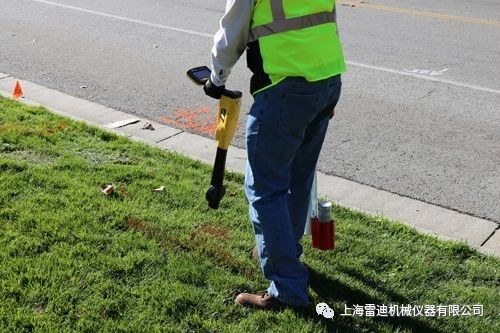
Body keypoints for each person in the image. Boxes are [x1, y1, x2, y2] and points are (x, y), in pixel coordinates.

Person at [204, 0, 346, 310]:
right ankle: (285, 250)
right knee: (298, 178)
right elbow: (328, 19)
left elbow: (232, 31)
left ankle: (286, 289)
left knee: (265, 189)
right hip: (327, 77)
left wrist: (216, 78)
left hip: (285, 84)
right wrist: (327, 87)